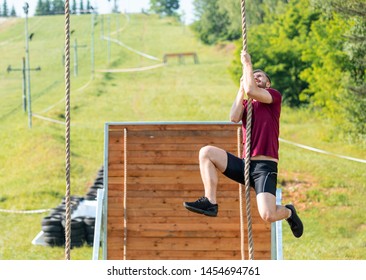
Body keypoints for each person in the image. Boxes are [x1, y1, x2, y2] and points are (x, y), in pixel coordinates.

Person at [183, 50, 303, 238]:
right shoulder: (247, 105)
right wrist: (241, 88)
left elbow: (252, 91)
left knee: (268, 214)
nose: (256, 77)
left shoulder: (273, 97)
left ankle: (289, 211)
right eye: (253, 76)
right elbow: (233, 117)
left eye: (260, 76)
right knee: (206, 152)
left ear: (268, 83)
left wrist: (248, 64)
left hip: (264, 167)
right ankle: (210, 201)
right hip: (246, 166)